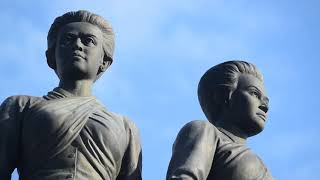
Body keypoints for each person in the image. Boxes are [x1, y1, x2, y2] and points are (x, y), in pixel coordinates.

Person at [0, 10, 142, 180]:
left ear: (104, 61)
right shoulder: (21, 107)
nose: (78, 45)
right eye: (68, 39)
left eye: (88, 41)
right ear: (51, 56)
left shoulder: (125, 127)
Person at [166, 61, 274, 180]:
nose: (265, 107)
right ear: (222, 96)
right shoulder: (205, 131)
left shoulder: (263, 169)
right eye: (254, 94)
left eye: (266, 101)